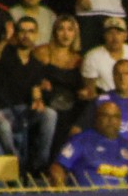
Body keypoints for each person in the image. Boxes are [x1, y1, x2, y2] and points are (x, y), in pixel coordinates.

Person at [0, 17, 58, 174]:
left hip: (24, 112)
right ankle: (16, 165)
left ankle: (40, 164)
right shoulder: (5, 53)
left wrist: (38, 101)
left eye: (31, 31)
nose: (26, 35)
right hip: (2, 110)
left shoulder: (36, 64)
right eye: (22, 31)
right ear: (17, 34)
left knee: (50, 114)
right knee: (2, 122)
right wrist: (5, 39)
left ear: (36, 34)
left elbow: (35, 89)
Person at [50, 101, 128, 187]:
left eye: (115, 116)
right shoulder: (81, 140)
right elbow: (57, 168)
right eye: (105, 115)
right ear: (96, 118)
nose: (111, 120)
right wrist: (62, 193)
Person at [33, 15, 87, 154]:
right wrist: (40, 83)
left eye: (70, 30)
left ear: (75, 33)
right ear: (54, 32)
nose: (65, 34)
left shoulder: (79, 59)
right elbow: (29, 76)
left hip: (69, 105)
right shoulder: (43, 52)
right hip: (46, 102)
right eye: (61, 29)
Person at [81, 17, 128, 93]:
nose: (115, 37)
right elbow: (90, 91)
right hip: (104, 99)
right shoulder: (92, 56)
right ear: (104, 35)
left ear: (125, 35)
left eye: (118, 33)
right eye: (110, 33)